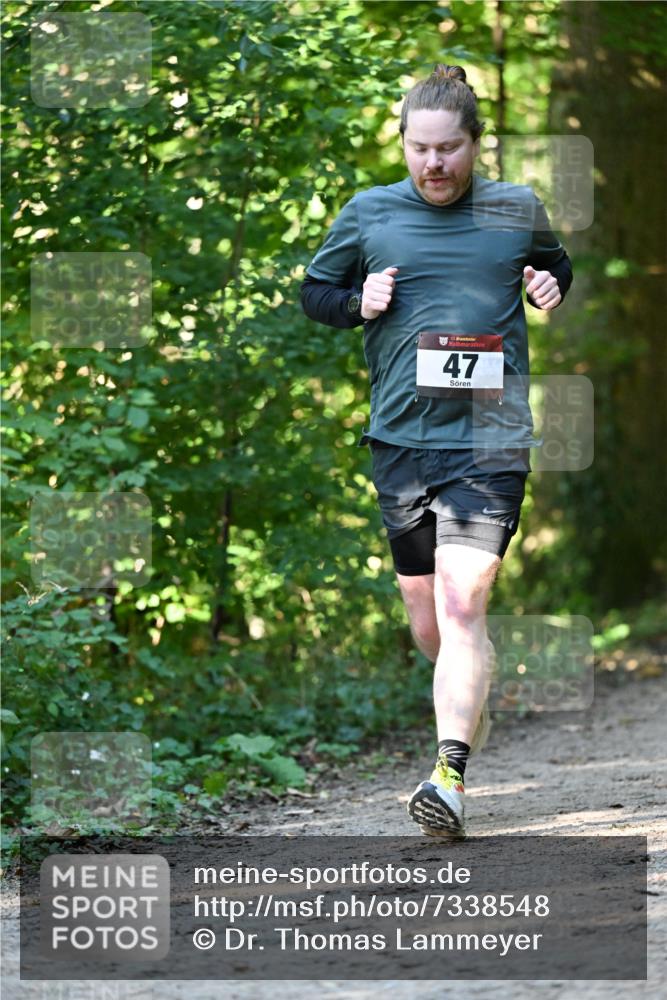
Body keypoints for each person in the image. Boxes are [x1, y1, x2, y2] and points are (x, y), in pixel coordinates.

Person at [300, 64, 572, 838]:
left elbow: (554, 267)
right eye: (420, 148)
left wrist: (549, 288)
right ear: (402, 143)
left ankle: (448, 776)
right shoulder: (368, 213)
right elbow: (314, 294)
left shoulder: (515, 208)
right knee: (427, 617)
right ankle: (466, 700)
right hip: (399, 440)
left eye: (448, 148)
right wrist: (360, 303)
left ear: (475, 144)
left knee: (462, 602)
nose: (434, 164)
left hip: (489, 441)